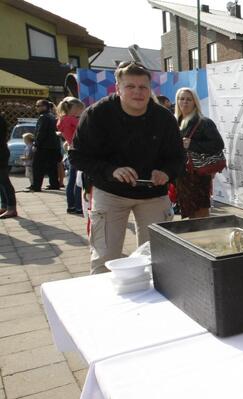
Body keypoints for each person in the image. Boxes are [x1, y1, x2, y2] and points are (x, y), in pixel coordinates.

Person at [69, 61, 184, 274]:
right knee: (104, 257)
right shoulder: (97, 114)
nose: (138, 92)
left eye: (143, 87)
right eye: (130, 86)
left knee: (160, 258)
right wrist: (110, 170)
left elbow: (178, 158)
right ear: (118, 88)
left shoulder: (164, 118)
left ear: (150, 89)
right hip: (110, 192)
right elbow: (77, 156)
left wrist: (166, 172)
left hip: (153, 194)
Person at [174, 87, 224, 219]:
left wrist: (192, 144)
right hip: (182, 176)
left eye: (188, 99)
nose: (184, 102)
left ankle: (205, 237)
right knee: (189, 213)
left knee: (201, 214)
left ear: (195, 102)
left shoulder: (204, 122)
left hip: (198, 175)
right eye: (181, 98)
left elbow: (218, 144)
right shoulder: (175, 122)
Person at [57, 97, 85, 214]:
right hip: (79, 150)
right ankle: (79, 206)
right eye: (80, 110)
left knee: (71, 180)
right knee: (79, 181)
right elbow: (84, 128)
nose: (81, 113)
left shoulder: (61, 120)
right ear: (74, 109)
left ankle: (71, 205)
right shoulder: (72, 120)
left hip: (70, 149)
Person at [28, 99, 62, 191]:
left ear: (44, 107)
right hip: (53, 146)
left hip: (43, 146)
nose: (36, 108)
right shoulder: (52, 116)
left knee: (38, 166)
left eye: (38, 106)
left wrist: (36, 144)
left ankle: (36, 186)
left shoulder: (43, 117)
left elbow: (41, 132)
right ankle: (54, 184)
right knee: (52, 166)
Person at [0, 113, 16, 219]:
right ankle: (5, 206)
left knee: (4, 181)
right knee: (1, 182)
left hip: (1, 153)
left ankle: (11, 208)